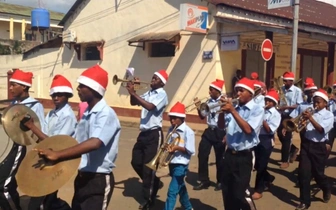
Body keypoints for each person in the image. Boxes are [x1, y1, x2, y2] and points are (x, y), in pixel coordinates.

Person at [23, 65, 120, 210]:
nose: (78, 89)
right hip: (83, 175)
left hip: (98, 178)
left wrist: (58, 154)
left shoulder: (106, 113)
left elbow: (95, 143)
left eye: (82, 86)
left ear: (94, 89)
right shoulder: (88, 112)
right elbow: (76, 143)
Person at [28, 75, 77, 210]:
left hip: (57, 160)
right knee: (46, 196)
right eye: (54, 95)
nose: (55, 98)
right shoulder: (51, 113)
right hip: (46, 158)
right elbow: (43, 135)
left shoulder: (67, 116)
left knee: (45, 197)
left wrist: (33, 127)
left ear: (67, 96)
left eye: (60, 95)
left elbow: (54, 144)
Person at [0, 69, 45, 210]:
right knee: (8, 182)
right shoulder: (13, 103)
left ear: (24, 86)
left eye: (14, 85)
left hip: (17, 147)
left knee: (4, 185)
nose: (11, 88)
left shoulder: (34, 106)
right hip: (5, 146)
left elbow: (40, 130)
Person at [220, 77, 264, 210]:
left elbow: (248, 129)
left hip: (244, 156)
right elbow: (221, 125)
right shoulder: (234, 108)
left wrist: (233, 111)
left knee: (241, 194)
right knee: (227, 192)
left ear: (250, 93)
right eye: (236, 91)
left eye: (241, 90)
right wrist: (222, 112)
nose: (237, 94)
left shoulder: (257, 109)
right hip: (229, 154)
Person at [127, 70, 169, 209]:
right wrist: (133, 91)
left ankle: (148, 201)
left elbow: (150, 107)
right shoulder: (149, 93)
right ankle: (151, 181)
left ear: (162, 82)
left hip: (154, 134)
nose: (152, 79)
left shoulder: (162, 94)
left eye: (156, 78)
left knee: (148, 168)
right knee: (136, 161)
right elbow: (134, 103)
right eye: (153, 77)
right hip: (144, 133)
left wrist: (134, 93)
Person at [296, 88, 332, 210]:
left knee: (318, 174)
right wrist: (301, 124)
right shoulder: (310, 112)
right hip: (306, 145)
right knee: (303, 174)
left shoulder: (329, 115)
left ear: (325, 103)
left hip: (319, 147)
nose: (316, 104)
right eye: (314, 102)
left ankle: (326, 187)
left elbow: (321, 130)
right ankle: (304, 202)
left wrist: (310, 118)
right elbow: (301, 128)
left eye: (319, 102)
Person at [193, 79, 226, 191]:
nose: (209, 92)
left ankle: (221, 181)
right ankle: (204, 180)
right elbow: (203, 116)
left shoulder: (223, 101)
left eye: (211, 90)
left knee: (220, 158)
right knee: (202, 154)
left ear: (217, 90)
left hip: (220, 131)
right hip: (209, 131)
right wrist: (199, 108)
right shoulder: (208, 101)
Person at [164, 102, 195, 210]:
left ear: (182, 119)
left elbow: (190, 150)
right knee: (180, 186)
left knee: (172, 191)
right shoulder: (171, 129)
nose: (172, 121)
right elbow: (168, 143)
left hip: (181, 164)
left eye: (174, 118)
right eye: (170, 118)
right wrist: (167, 147)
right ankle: (188, 207)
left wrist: (177, 148)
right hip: (172, 162)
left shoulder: (188, 132)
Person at [252, 89, 281, 200]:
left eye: (270, 101)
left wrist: (262, 119)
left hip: (266, 140)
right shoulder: (261, 109)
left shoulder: (276, 114)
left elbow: (270, 130)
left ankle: (258, 190)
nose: (267, 102)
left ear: (274, 103)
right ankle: (268, 177)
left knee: (262, 165)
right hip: (257, 137)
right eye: (266, 100)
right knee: (256, 164)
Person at [276, 72, 303, 169]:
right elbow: (280, 101)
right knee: (279, 133)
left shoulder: (297, 91)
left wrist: (287, 106)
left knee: (286, 137)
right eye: (283, 81)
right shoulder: (282, 89)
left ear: (291, 81)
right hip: (282, 114)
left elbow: (299, 104)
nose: (283, 83)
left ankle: (285, 160)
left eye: (285, 81)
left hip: (292, 115)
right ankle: (293, 149)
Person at [289, 78, 317, 163]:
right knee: (304, 144)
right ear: (306, 93)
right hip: (303, 128)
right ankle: (303, 159)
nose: (311, 94)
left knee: (312, 146)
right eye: (309, 92)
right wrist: (289, 124)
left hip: (313, 129)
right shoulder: (301, 105)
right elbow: (294, 115)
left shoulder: (317, 105)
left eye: (313, 92)